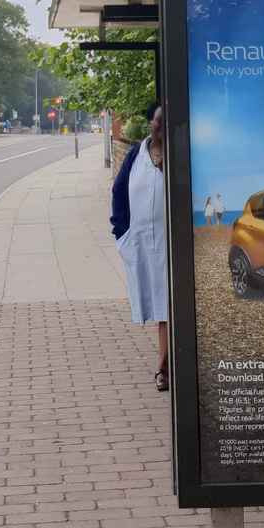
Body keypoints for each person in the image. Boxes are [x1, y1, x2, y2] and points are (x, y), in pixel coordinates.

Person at [111, 100, 170, 389]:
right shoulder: (136, 154)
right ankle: (165, 367)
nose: (161, 125)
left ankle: (163, 368)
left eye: (167, 119)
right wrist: (121, 234)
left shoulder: (180, 153)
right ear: (149, 123)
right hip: (142, 244)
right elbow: (118, 193)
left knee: (169, 307)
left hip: (172, 245)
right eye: (158, 119)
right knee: (159, 307)